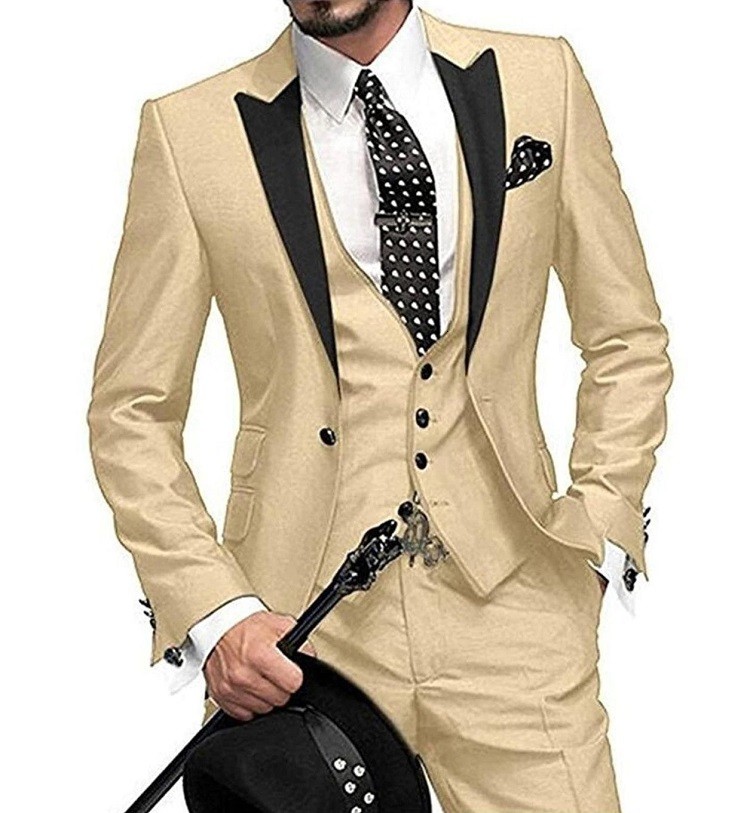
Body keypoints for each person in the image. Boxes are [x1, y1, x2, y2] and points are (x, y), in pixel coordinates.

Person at [86, 1, 673, 809]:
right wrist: (216, 612)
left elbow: (627, 337)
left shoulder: (543, 81)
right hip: (295, 632)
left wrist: (599, 530)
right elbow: (131, 409)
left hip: (517, 608)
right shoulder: (189, 132)